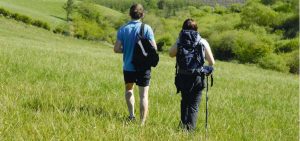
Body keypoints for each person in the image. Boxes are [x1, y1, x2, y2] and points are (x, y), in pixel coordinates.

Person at [114, 4, 157, 126]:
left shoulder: (123, 29)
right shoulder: (147, 28)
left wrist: (126, 49)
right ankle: (142, 123)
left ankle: (131, 115)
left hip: (128, 67)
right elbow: (154, 48)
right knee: (143, 95)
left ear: (129, 14)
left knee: (129, 90)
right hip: (143, 67)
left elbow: (116, 49)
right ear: (142, 15)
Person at [169, 19, 215, 131]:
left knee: (185, 101)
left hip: (183, 76)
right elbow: (212, 61)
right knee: (194, 106)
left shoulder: (180, 41)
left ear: (183, 28)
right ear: (196, 29)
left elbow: (171, 54)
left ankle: (183, 126)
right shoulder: (202, 41)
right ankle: (189, 131)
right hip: (198, 77)